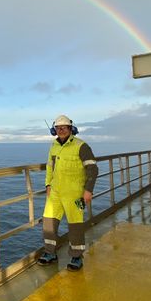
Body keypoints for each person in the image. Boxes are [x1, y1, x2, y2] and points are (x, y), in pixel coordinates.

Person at [37, 114, 98, 271]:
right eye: (58, 128)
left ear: (71, 129)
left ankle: (76, 257)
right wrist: (48, 184)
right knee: (48, 221)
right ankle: (50, 252)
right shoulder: (54, 145)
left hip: (75, 194)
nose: (61, 130)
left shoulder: (81, 146)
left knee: (75, 225)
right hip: (55, 192)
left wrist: (88, 191)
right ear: (54, 130)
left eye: (64, 127)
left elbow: (93, 169)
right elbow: (50, 166)